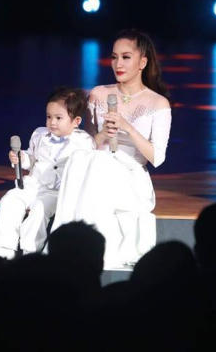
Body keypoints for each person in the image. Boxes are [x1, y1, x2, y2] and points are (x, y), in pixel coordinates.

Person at [51, 29, 171, 268]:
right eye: (114, 57)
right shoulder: (99, 94)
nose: (118, 64)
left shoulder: (158, 103)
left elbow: (157, 158)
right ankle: (68, 247)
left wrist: (127, 127)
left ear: (142, 62)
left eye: (126, 57)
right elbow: (87, 143)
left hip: (131, 175)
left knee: (97, 163)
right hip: (97, 166)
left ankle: (92, 250)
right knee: (80, 158)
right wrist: (103, 134)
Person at [0, 87, 95, 259]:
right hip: (32, 185)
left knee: (39, 210)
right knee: (10, 201)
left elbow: (84, 169)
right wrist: (21, 157)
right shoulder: (39, 134)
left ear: (76, 121)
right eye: (49, 117)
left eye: (58, 118)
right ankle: (2, 250)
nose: (52, 122)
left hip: (55, 191)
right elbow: (32, 158)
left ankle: (30, 252)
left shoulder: (83, 142)